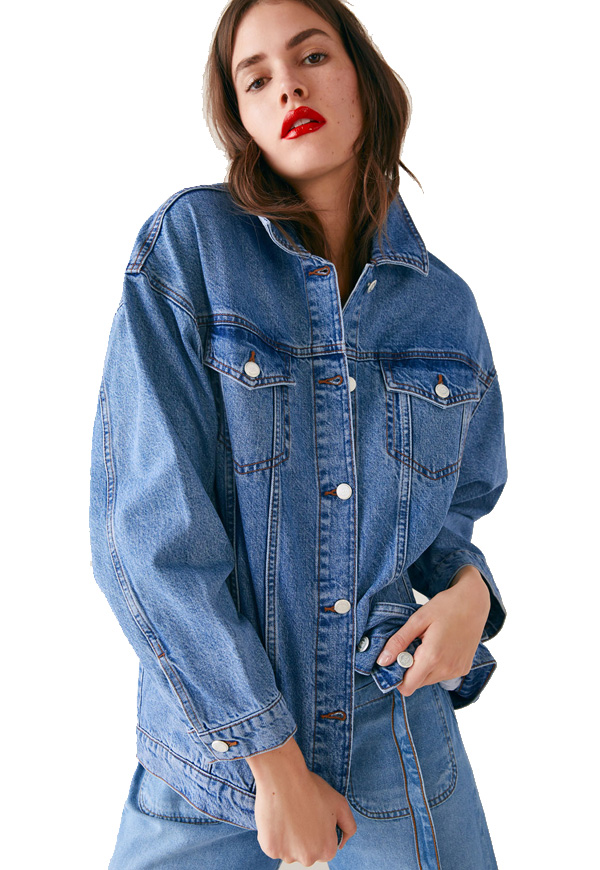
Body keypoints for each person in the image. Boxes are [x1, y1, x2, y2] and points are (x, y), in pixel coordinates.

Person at [89, 0, 508, 867]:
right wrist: (271, 758)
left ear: (361, 74)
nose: (288, 87)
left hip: (397, 742)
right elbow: (149, 537)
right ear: (240, 118)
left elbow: (448, 520)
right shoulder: (192, 248)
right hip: (212, 766)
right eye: (256, 79)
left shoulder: (446, 307)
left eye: (311, 56)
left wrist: (471, 593)